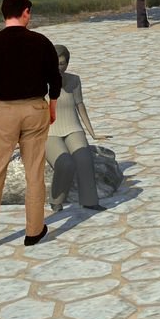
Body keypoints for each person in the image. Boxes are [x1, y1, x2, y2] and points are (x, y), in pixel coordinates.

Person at [0, 0, 61, 248]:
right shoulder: (41, 42)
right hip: (35, 109)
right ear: (26, 12)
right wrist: (52, 108)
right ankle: (34, 231)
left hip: (2, 113)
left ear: (4, 13)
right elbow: (55, 80)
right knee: (34, 173)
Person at [47, 45, 106, 212]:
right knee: (65, 162)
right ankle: (56, 200)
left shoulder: (74, 80)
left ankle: (89, 201)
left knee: (84, 158)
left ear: (67, 63)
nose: (59, 67)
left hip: (73, 128)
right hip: (49, 132)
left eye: (62, 63)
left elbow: (80, 106)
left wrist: (92, 133)